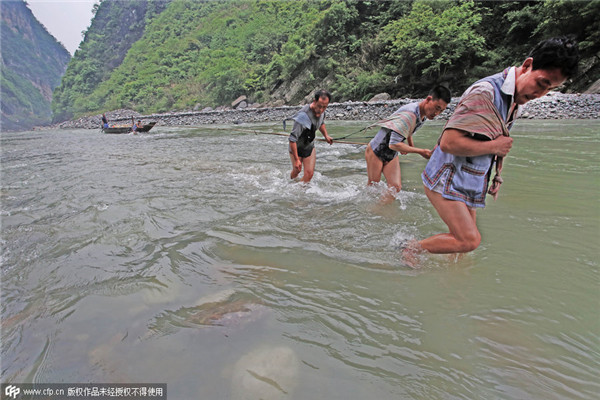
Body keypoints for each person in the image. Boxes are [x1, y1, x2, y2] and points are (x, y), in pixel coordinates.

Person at [414, 36, 579, 256]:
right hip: (446, 179)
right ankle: (410, 248)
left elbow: (489, 137)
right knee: (468, 240)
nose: (541, 94)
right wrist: (495, 148)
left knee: (461, 247)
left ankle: (455, 285)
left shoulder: (513, 98)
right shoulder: (486, 93)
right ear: (528, 65)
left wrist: (496, 174)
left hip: (466, 178)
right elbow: (448, 142)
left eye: (550, 89)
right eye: (541, 83)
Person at [365, 85, 451, 201]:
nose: (437, 113)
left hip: (391, 153)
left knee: (395, 188)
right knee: (372, 189)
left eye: (441, 110)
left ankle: (379, 212)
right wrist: (421, 151)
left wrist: (409, 146)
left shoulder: (422, 114)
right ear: (428, 99)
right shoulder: (410, 114)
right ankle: (366, 213)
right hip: (376, 151)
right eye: (436, 108)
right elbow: (393, 144)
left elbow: (408, 130)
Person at [288, 90, 334, 183]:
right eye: (319, 106)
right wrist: (297, 160)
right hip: (296, 147)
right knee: (297, 171)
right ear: (314, 101)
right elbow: (292, 140)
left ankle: (301, 192)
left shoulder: (322, 112)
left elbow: (321, 123)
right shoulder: (302, 116)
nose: (321, 110)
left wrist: (326, 135)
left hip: (309, 146)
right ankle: (290, 184)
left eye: (324, 107)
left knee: (309, 174)